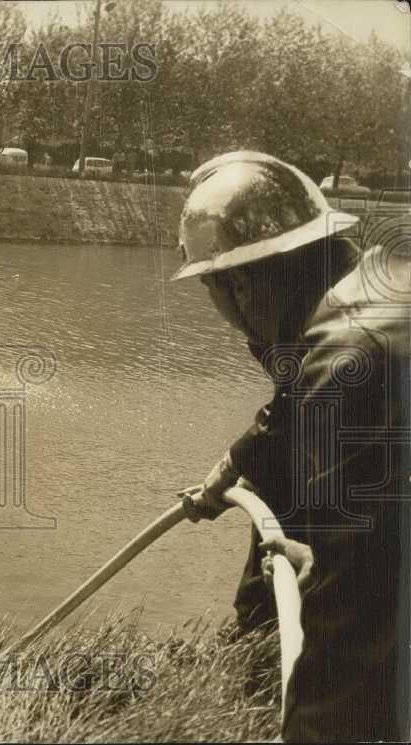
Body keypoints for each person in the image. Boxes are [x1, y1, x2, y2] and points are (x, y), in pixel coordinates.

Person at [172, 151, 410, 742]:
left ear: (240, 284)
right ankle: (254, 649)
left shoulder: (346, 364)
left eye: (213, 290)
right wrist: (235, 464)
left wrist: (306, 728)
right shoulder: (378, 286)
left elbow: (352, 627)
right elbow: (289, 416)